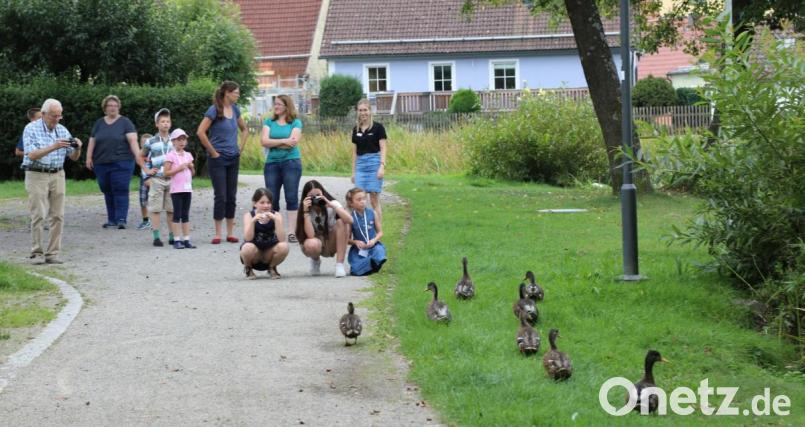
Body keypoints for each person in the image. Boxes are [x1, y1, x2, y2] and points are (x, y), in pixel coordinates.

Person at [21, 98, 82, 264]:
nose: (57, 119)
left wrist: (78, 147)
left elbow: (74, 157)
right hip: (36, 174)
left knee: (58, 216)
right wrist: (54, 146)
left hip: (58, 174)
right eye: (54, 116)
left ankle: (53, 254)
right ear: (44, 114)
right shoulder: (31, 129)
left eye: (59, 116)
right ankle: (37, 253)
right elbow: (31, 154)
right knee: (39, 214)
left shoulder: (62, 130)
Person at [196, 81, 249, 244]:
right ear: (227, 92)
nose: (238, 95)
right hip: (218, 159)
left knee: (231, 196)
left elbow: (245, 129)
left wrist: (240, 149)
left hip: (233, 158)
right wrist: (213, 152)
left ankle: (230, 233)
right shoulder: (214, 110)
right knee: (221, 196)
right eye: (236, 92)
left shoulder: (235, 110)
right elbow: (200, 132)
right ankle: (218, 234)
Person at [85, 95, 146, 229]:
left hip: (122, 162)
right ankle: (111, 219)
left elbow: (133, 141)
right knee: (106, 189)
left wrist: (138, 156)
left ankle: (121, 219)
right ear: (105, 108)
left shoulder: (125, 122)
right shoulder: (99, 123)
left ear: (118, 107)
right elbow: (92, 140)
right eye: (110, 106)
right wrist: (88, 157)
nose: (112, 108)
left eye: (115, 106)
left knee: (120, 189)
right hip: (101, 162)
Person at [261, 95, 303, 242]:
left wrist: (274, 142)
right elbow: (264, 141)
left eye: (279, 104)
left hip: (291, 163)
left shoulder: (296, 123)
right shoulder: (268, 122)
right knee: (272, 199)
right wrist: (284, 140)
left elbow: (294, 142)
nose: (276, 106)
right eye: (275, 104)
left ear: (286, 106)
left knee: (291, 197)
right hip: (271, 164)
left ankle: (292, 232)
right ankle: (275, 231)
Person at [295, 180, 352, 277]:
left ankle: (339, 265)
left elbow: (350, 220)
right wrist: (305, 212)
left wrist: (332, 205)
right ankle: (315, 260)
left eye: (318, 195)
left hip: (330, 241)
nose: (315, 199)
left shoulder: (332, 203)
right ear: (305, 197)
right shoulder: (304, 209)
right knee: (312, 244)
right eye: (311, 196)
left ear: (323, 193)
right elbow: (311, 235)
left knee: (342, 222)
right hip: (315, 243)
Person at [141, 108, 176, 247]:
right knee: (155, 208)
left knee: (171, 208)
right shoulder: (150, 141)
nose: (165, 124)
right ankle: (156, 237)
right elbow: (140, 156)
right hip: (157, 178)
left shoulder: (175, 140)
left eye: (167, 121)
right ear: (157, 124)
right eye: (162, 121)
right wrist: (146, 170)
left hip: (172, 178)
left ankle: (173, 236)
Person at [240, 188, 289, 280]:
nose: (266, 205)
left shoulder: (277, 215)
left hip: (269, 253)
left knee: (284, 246)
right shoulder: (248, 215)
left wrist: (276, 220)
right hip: (254, 254)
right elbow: (248, 238)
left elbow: (282, 239)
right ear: (255, 203)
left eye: (268, 202)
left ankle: (272, 267)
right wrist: (253, 221)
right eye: (262, 202)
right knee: (247, 247)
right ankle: (248, 268)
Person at [351, 99, 388, 218]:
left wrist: (382, 166)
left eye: (365, 110)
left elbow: (383, 148)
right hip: (361, 166)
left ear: (370, 111)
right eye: (360, 110)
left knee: (373, 199)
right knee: (360, 200)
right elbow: (355, 152)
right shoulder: (355, 130)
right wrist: (353, 172)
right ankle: (364, 229)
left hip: (374, 164)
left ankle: (378, 232)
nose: (363, 113)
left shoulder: (378, 128)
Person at [163, 129, 196, 249]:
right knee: (177, 215)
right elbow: (166, 172)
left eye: (184, 139)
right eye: (179, 140)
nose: (182, 142)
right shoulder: (170, 155)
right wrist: (179, 168)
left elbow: (192, 174)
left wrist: (192, 168)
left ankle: (186, 239)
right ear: (173, 141)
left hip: (187, 189)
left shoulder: (188, 155)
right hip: (176, 190)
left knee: (185, 215)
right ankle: (176, 240)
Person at [345, 187, 387, 276]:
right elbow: (347, 240)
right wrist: (355, 242)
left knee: (379, 251)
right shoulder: (350, 217)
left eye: (364, 199)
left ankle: (371, 263)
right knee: (355, 269)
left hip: (373, 245)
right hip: (359, 249)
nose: (362, 201)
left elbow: (380, 232)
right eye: (358, 200)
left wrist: (374, 240)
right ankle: (370, 264)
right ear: (351, 203)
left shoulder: (372, 213)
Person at [136, 133, 153, 230]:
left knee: (154, 201)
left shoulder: (154, 153)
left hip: (154, 178)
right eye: (143, 142)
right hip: (144, 179)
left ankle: (153, 220)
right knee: (143, 201)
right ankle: (145, 220)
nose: (146, 144)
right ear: (140, 144)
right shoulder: (140, 154)